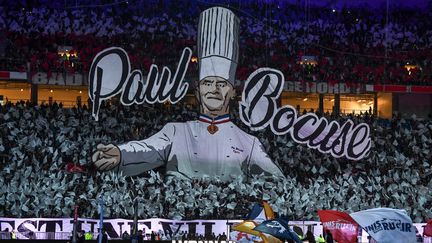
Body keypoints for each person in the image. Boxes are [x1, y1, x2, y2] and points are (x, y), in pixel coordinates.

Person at [91, 7, 283, 181]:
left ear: (232, 92)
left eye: (221, 84)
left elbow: (277, 180)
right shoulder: (176, 132)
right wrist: (119, 153)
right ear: (198, 91)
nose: (214, 89)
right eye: (207, 83)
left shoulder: (249, 143)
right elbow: (146, 149)